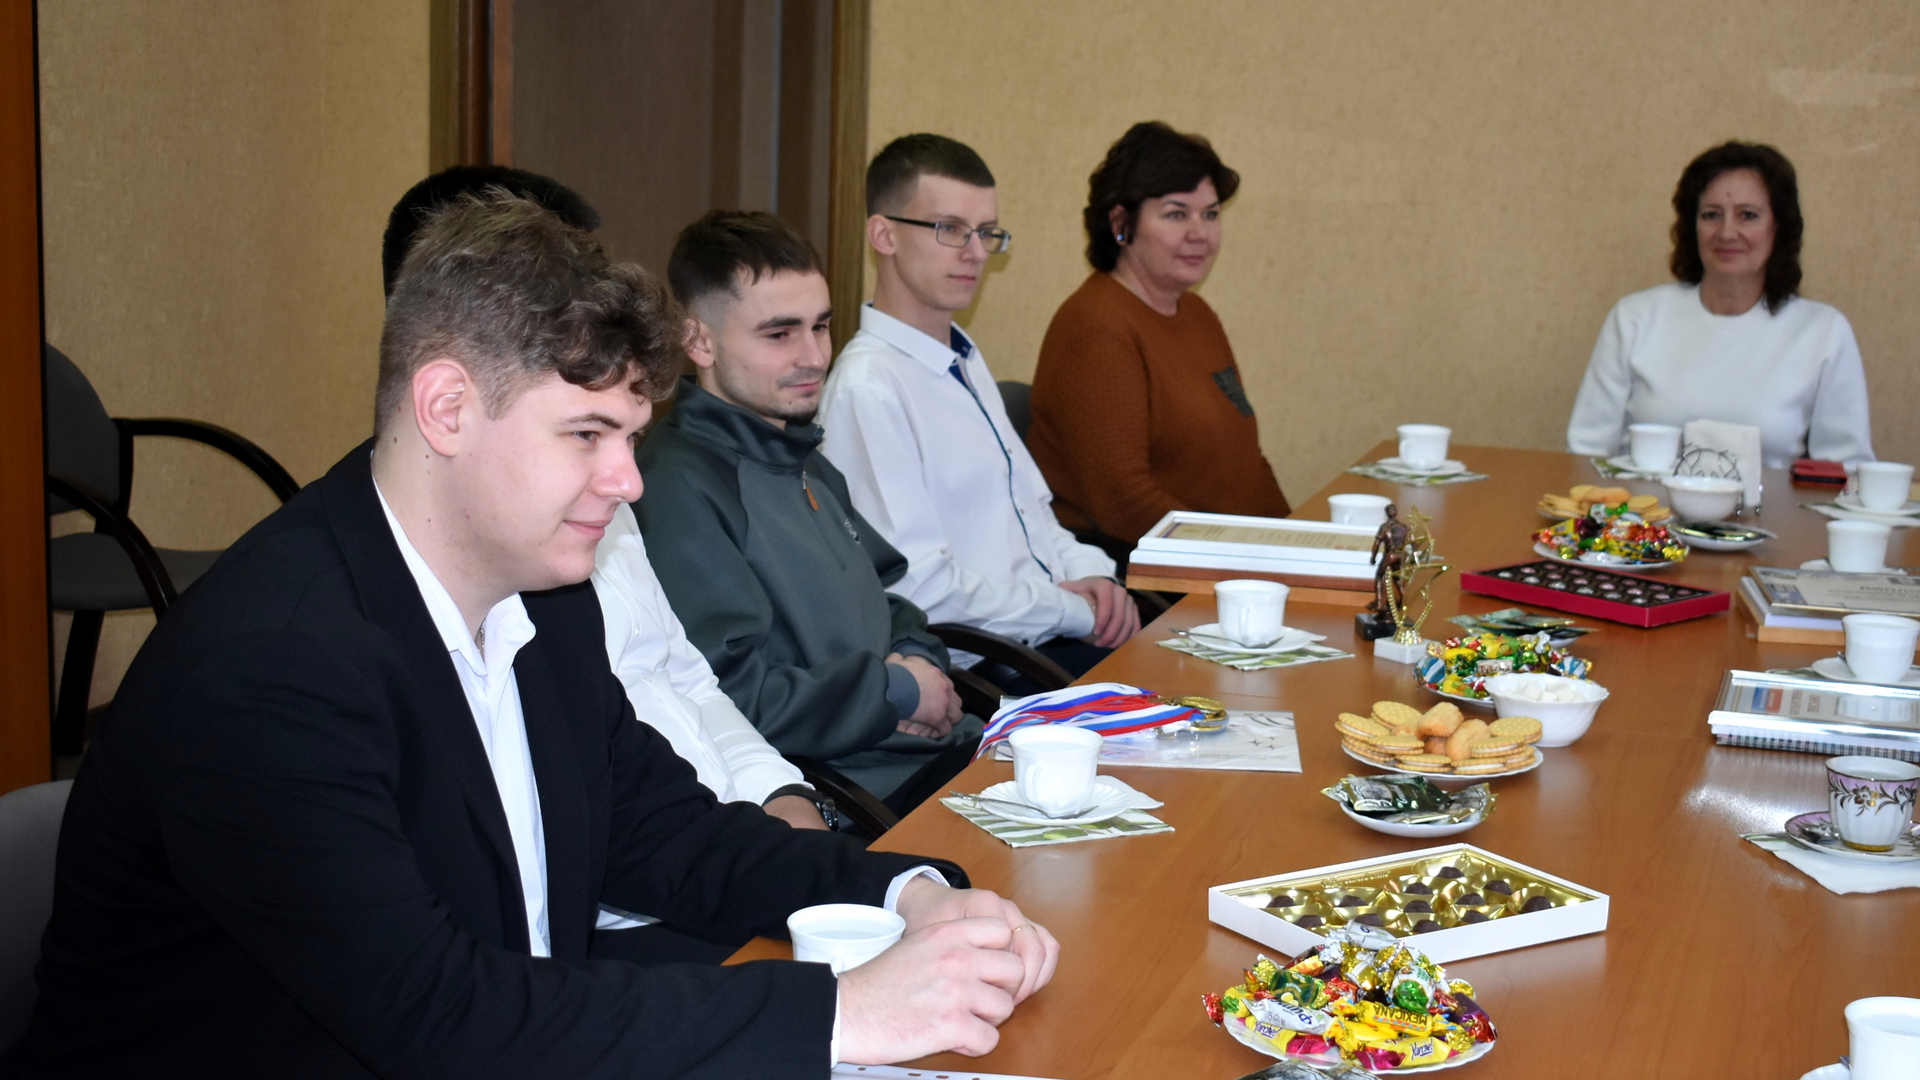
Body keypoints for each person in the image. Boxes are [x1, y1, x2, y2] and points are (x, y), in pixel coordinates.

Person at [6, 193, 1057, 1077]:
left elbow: (667, 835)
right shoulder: (273, 666)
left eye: (632, 437)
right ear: (447, 408)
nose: (628, 482)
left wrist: (906, 892)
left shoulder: (545, 593)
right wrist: (845, 1011)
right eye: (587, 435)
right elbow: (436, 1015)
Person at [380, 168, 832, 976]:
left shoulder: (562, 551)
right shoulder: (304, 653)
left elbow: (678, 701)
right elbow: (455, 995)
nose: (629, 481)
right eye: (588, 433)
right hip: (618, 932)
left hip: (694, 865)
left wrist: (793, 810)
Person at [634, 209, 979, 813]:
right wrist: (898, 692)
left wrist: (918, 662)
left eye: (820, 326)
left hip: (933, 754)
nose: (815, 356)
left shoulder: (800, 454)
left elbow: (887, 603)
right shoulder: (676, 486)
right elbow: (731, 697)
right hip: (858, 797)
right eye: (780, 334)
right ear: (698, 340)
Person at [817, 134, 1137, 682]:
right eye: (950, 229)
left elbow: (1035, 518)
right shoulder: (868, 388)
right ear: (884, 235)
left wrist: (1097, 579)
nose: (976, 252)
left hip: (1048, 634)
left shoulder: (959, 357)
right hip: (985, 671)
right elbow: (919, 589)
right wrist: (1072, 610)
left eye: (986, 231)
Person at [1027, 121, 1290, 555]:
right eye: (1176, 214)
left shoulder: (1198, 313)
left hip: (1229, 561)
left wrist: (1296, 542)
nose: (1199, 233)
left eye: (1210, 214)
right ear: (1121, 224)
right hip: (1145, 573)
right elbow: (1125, 504)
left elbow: (1247, 462)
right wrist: (1249, 557)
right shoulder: (1098, 330)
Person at [1566, 140, 1873, 470]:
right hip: (1642, 505)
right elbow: (1586, 453)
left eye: (1747, 215)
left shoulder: (1823, 332)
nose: (1727, 232)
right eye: (1711, 215)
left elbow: (1844, 473)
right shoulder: (1633, 319)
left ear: (1779, 228)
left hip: (1770, 507)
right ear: (1691, 227)